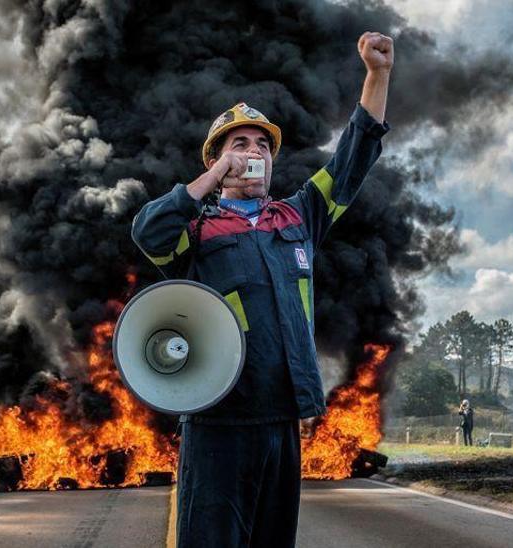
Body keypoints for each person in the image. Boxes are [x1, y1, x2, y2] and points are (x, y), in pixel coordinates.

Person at [131, 32, 394, 548]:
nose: (253, 153)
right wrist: (211, 180)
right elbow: (148, 232)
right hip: (219, 421)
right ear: (216, 160)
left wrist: (377, 75)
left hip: (281, 418)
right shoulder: (196, 231)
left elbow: (353, 158)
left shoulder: (298, 216)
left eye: (261, 146)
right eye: (238, 144)